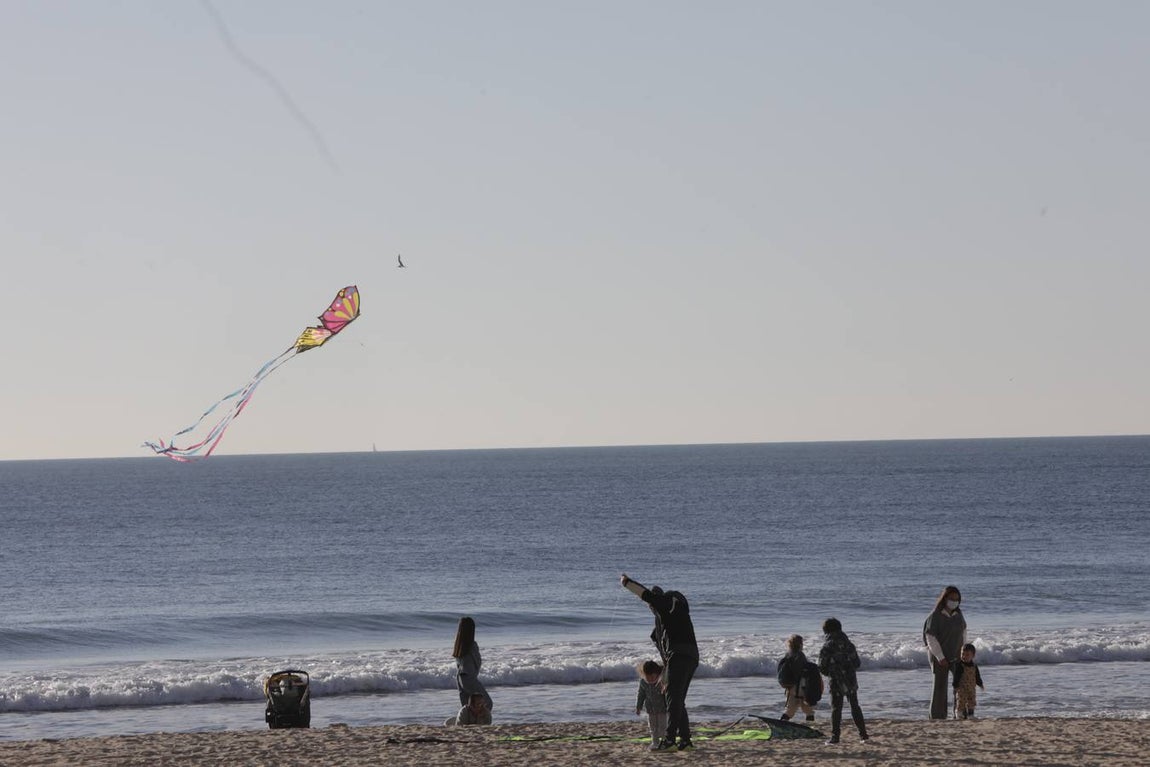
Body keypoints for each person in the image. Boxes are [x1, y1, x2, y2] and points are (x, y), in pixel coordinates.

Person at [620, 574, 699, 752]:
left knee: (673, 701)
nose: (651, 607)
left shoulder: (666, 604)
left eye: (652, 604)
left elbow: (646, 595)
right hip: (690, 657)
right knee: (678, 701)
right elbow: (664, 652)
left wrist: (627, 583)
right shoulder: (666, 621)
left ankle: (670, 740)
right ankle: (685, 741)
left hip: (680, 656)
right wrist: (665, 673)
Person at [818, 617, 868, 745]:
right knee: (855, 706)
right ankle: (863, 735)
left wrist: (830, 673)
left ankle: (835, 737)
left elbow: (822, 666)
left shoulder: (827, 646)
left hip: (836, 680)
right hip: (850, 679)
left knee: (836, 708)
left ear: (826, 632)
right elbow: (857, 663)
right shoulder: (849, 644)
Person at [923, 585, 967, 719]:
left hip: (957, 655)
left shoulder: (958, 615)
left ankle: (960, 713)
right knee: (940, 688)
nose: (954, 601)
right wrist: (940, 657)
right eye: (952, 598)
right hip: (939, 656)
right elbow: (930, 637)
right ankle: (937, 716)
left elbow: (963, 633)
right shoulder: (935, 616)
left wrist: (964, 652)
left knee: (961, 684)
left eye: (957, 599)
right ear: (945, 598)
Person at [452, 616, 493, 713]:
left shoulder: (459, 645)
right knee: (487, 703)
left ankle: (468, 724)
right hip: (469, 678)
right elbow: (477, 661)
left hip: (460, 677)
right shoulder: (471, 646)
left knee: (467, 707)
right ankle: (480, 723)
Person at [776, 634, 815, 722]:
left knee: (790, 708)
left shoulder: (788, 654)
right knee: (807, 708)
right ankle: (809, 724)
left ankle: (782, 722)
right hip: (800, 685)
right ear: (800, 644)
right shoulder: (800, 655)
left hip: (790, 686)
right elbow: (802, 670)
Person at [635, 660, 669, 748]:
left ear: (657, 673)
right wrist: (639, 707)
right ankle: (655, 742)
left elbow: (667, 695)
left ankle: (664, 741)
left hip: (662, 709)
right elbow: (641, 695)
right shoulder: (643, 682)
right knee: (653, 727)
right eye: (647, 677)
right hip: (650, 709)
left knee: (662, 727)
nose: (650, 679)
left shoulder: (662, 681)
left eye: (652, 677)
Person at [952, 643, 985, 719]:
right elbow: (956, 677)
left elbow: (977, 676)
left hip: (971, 688)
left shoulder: (974, 666)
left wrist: (980, 684)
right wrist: (955, 686)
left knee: (972, 701)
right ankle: (958, 713)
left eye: (967, 655)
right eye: (962, 654)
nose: (964, 656)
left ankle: (971, 715)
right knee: (961, 701)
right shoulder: (960, 665)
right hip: (961, 688)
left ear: (973, 656)